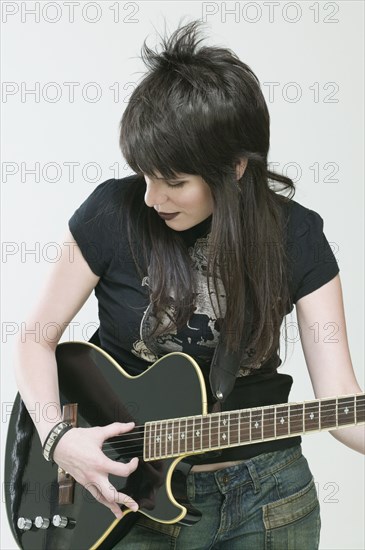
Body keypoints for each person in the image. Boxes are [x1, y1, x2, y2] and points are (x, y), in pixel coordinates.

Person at [14, 18, 364, 550]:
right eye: (147, 175)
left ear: (237, 167)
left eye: (175, 182)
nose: (154, 198)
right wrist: (58, 437)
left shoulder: (297, 236)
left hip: (268, 495)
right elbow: (34, 338)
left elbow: (342, 405)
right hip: (130, 491)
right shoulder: (114, 212)